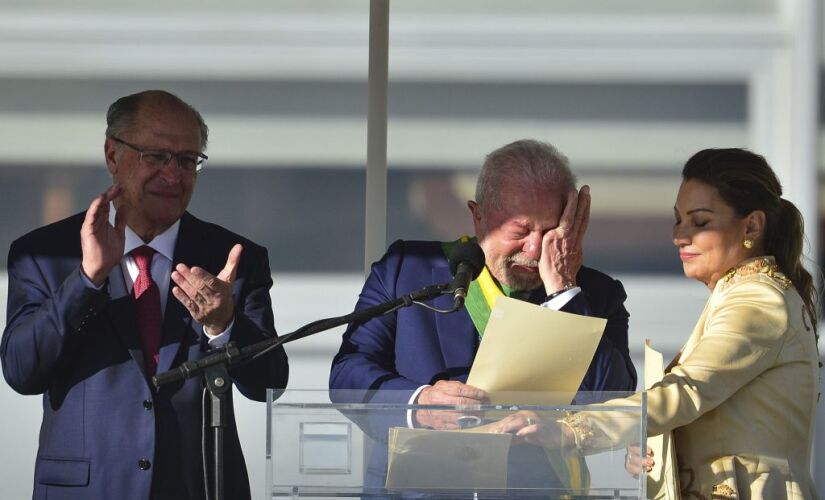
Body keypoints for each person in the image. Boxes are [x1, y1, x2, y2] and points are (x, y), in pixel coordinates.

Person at [1, 90, 289, 500]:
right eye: (155, 157)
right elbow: (22, 371)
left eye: (188, 160)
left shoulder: (232, 259)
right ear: (112, 155)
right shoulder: (45, 253)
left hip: (197, 486)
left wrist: (223, 326)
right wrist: (87, 279)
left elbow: (269, 384)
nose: (173, 176)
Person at [493, 148, 820, 499]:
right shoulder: (746, 294)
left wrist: (569, 430)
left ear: (751, 226)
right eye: (678, 220)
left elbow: (687, 390)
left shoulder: (758, 298)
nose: (680, 236)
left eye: (701, 222)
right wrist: (659, 449)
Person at [328, 139, 637, 491]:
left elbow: (612, 401)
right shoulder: (407, 270)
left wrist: (564, 290)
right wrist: (419, 402)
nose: (535, 249)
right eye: (520, 231)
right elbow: (346, 376)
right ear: (479, 217)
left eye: (551, 232)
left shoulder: (595, 296)